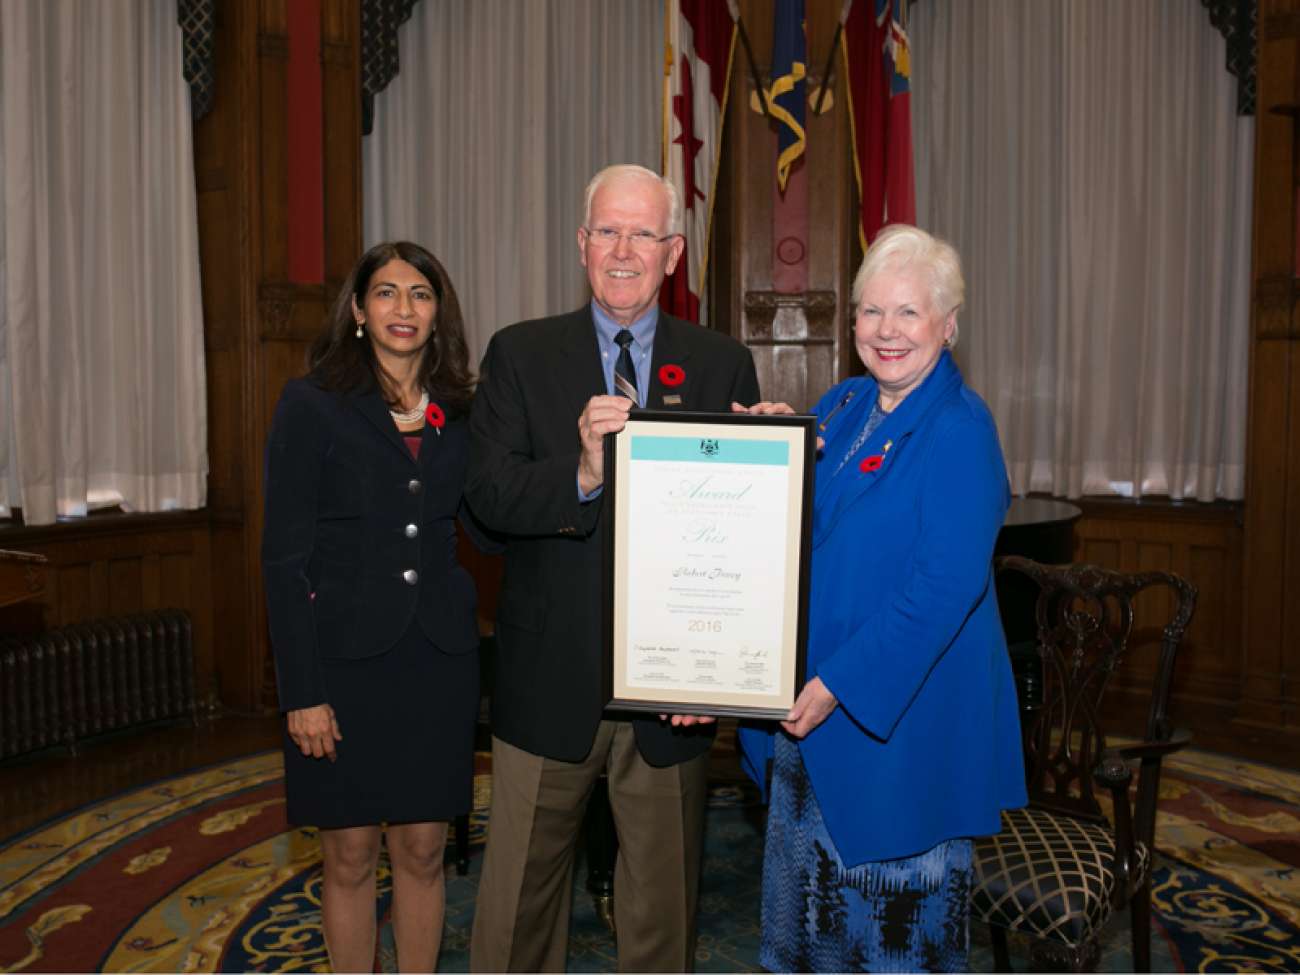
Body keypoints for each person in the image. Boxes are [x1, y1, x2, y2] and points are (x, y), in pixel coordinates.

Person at [465, 163, 760, 972]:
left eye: (643, 234)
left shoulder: (722, 363)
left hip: (673, 697)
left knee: (662, 920)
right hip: (548, 680)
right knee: (515, 916)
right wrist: (584, 473)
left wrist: (772, 462)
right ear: (581, 243)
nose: (622, 249)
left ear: (672, 253)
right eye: (607, 230)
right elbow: (486, 496)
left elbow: (740, 536)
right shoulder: (520, 355)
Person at [738, 224, 1027, 972]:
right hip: (812, 724)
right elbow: (799, 527)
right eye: (872, 311)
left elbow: (942, 587)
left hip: (898, 733)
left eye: (909, 312)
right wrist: (769, 453)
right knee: (805, 946)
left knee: (892, 951)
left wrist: (837, 684)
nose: (887, 331)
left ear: (948, 323)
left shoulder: (962, 429)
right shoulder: (841, 404)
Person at [262, 241, 488, 973]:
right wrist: (303, 693)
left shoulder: (464, 407)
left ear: (437, 312)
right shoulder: (311, 404)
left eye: (420, 293)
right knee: (351, 855)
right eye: (386, 293)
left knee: (424, 849)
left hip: (436, 662)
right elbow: (283, 559)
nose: (403, 308)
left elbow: (486, 515)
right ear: (358, 310)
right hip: (343, 667)